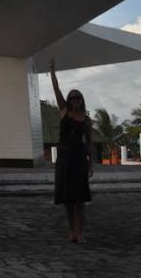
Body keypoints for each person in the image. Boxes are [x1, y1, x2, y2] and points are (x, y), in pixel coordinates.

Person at [50, 58, 93, 243]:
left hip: (78, 159)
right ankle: (71, 230)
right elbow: (56, 90)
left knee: (80, 200)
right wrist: (52, 70)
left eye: (77, 97)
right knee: (67, 199)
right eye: (72, 97)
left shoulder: (86, 119)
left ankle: (80, 231)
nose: (74, 100)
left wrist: (91, 163)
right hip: (64, 159)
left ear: (82, 100)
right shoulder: (64, 111)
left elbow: (89, 142)